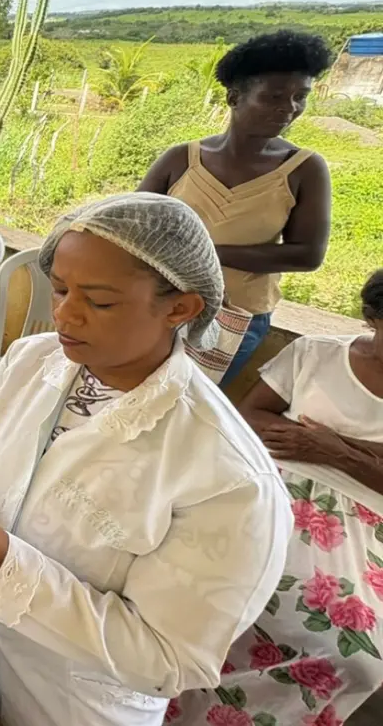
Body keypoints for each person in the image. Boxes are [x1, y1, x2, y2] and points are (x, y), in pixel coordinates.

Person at [0, 193, 291, 726]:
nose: (64, 312)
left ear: (181, 308)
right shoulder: (33, 360)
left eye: (100, 300)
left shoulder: (227, 477)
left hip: (65, 703)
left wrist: (6, 560)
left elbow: (168, 656)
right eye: (61, 288)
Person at [170, 270, 383, 726]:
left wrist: (336, 450)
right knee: (205, 583)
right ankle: (163, 706)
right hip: (276, 484)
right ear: (372, 318)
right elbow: (246, 416)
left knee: (353, 653)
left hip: (369, 524)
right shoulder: (316, 354)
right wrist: (352, 451)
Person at [139, 30, 333, 386]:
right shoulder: (181, 159)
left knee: (186, 405)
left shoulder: (304, 169)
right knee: (129, 393)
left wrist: (205, 253)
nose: (289, 108)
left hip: (236, 315)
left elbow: (307, 255)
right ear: (234, 97)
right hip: (160, 303)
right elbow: (134, 226)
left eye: (300, 96)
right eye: (273, 96)